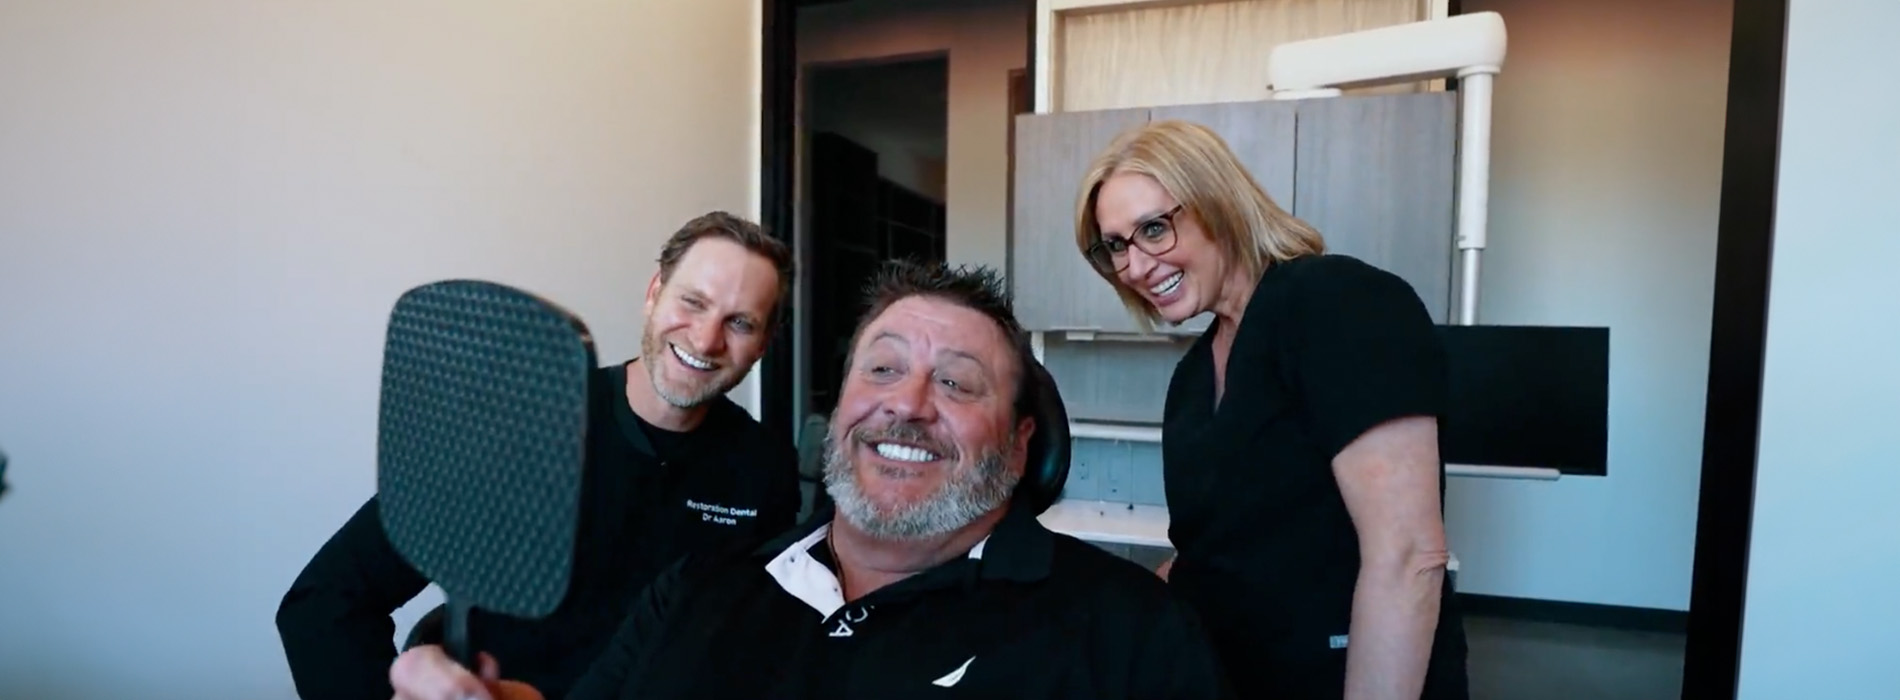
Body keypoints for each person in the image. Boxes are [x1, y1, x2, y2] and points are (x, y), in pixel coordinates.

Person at [385, 260, 1235, 700]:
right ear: (839, 411)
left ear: (1018, 449)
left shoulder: (1131, 633)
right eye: (882, 369)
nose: (907, 404)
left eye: (956, 383)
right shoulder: (696, 587)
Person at [276, 211, 805, 700]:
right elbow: (324, 602)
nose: (707, 339)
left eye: (740, 323)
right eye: (692, 302)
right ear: (654, 293)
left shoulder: (764, 469)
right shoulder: (518, 429)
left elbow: (749, 653)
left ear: (764, 344)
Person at [1072, 120, 1469, 699]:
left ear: (1218, 203)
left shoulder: (1338, 302)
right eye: (1116, 246)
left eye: (1153, 228)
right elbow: (1218, 552)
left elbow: (1409, 556)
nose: (1134, 267)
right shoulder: (1192, 377)